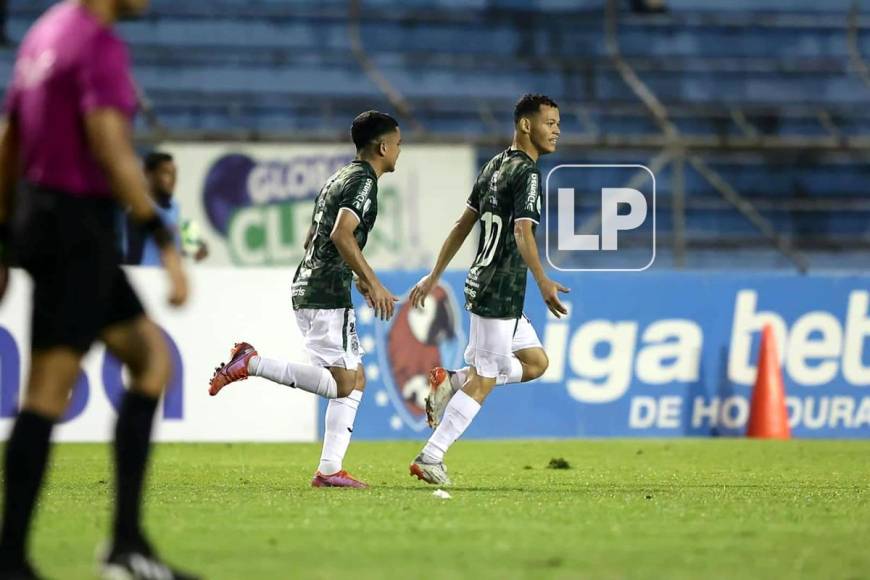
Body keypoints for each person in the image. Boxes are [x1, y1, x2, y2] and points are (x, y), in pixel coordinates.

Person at [0, 1, 196, 578]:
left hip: (45, 217)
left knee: (150, 360)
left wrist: (4, 239)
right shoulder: (100, 45)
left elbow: (10, 140)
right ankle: (12, 560)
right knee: (46, 390)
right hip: (76, 227)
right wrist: (162, 239)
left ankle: (126, 546)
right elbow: (110, 148)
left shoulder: (45, 33)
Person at [209, 111, 401, 489]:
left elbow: (310, 237)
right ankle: (252, 362)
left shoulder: (337, 177)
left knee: (354, 378)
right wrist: (372, 281)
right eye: (398, 144)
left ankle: (330, 470)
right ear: (382, 146)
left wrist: (356, 277)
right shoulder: (363, 181)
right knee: (344, 383)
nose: (399, 151)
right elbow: (341, 235)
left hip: (310, 285)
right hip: (326, 291)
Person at [407, 94, 569, 485]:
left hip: (489, 285)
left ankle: (451, 380)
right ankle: (431, 455)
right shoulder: (527, 174)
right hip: (499, 290)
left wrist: (435, 275)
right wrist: (543, 281)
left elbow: (462, 224)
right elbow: (521, 229)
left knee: (536, 363)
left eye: (558, 123)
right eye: (549, 122)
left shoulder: (495, 165)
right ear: (526, 125)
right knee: (486, 379)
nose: (557, 130)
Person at [124, 151, 209, 265]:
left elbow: (175, 246)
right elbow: (131, 257)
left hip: (168, 280)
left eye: (175, 173)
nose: (173, 179)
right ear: (148, 174)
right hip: (147, 278)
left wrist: (197, 248)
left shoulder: (174, 206)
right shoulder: (138, 210)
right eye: (166, 173)